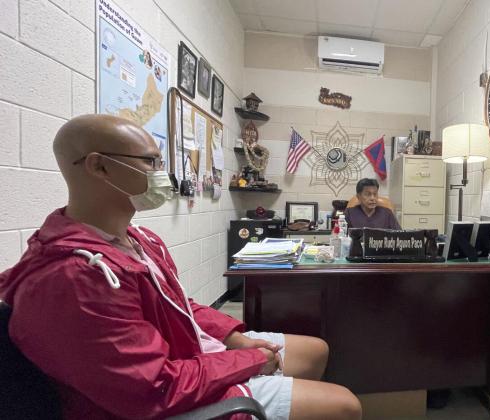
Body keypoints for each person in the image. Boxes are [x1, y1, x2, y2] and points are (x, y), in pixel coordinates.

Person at [0, 115, 361, 420]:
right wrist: (248, 361)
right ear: (99, 166)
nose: (163, 174)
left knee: (315, 350)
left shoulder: (139, 238)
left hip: (185, 354)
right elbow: (154, 388)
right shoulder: (76, 278)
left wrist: (234, 339)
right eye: (150, 162)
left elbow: (179, 306)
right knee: (345, 405)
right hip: (166, 397)